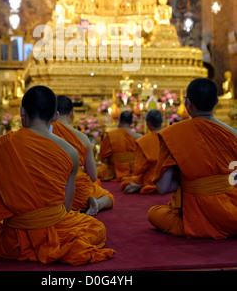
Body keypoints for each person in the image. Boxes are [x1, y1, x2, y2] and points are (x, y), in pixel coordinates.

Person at [0, 85, 115, 264]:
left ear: (22, 111)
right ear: (55, 116)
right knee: (96, 228)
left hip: (13, 239)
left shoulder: (0, 147)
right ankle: (51, 247)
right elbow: (67, 206)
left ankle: (30, 245)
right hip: (56, 230)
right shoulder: (70, 151)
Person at [147, 78, 237, 239]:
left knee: (154, 213)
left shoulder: (173, 134)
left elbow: (163, 188)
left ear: (188, 104)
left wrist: (189, 180)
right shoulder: (233, 134)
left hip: (196, 217)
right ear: (216, 102)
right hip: (232, 215)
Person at [52, 95, 114, 216]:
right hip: (77, 192)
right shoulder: (82, 138)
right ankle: (98, 203)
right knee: (107, 196)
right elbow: (93, 176)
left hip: (51, 190)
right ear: (72, 114)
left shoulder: (43, 134)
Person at [121, 109, 163, 194]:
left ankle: (142, 185)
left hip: (152, 176)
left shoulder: (144, 141)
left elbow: (139, 168)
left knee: (126, 181)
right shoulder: (171, 136)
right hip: (170, 175)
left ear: (148, 124)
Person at [99, 110, 141, 181]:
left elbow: (103, 157)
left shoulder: (111, 135)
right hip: (134, 172)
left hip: (114, 172)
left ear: (120, 120)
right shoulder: (139, 137)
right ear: (131, 122)